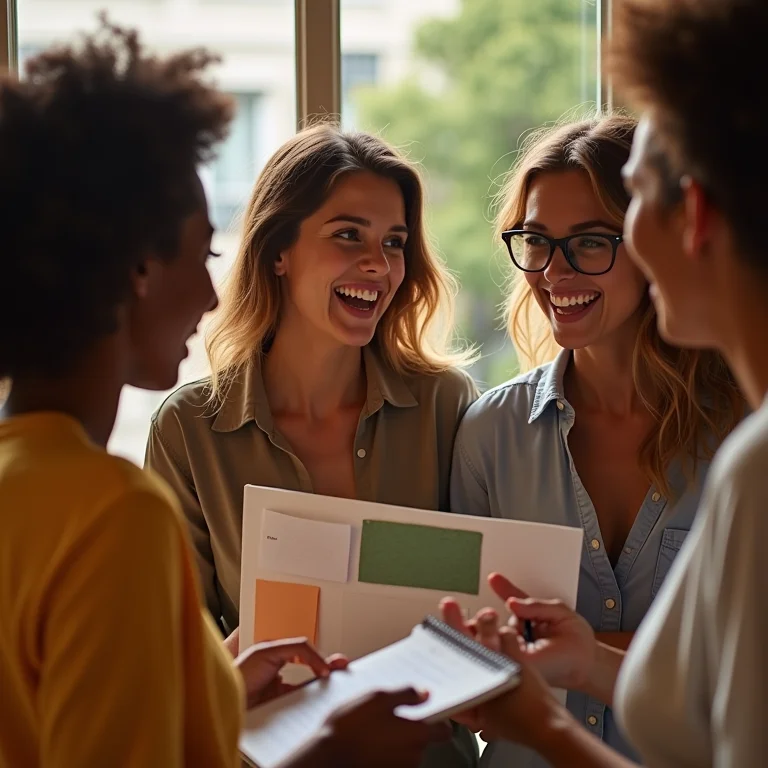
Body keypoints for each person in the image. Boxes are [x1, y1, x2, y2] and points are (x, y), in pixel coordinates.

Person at [0, 19, 449, 767]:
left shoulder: (20, 481)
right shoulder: (116, 513)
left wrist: (218, 694)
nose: (212, 294)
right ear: (138, 269)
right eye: (201, 253)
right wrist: (325, 752)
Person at [442, 0, 768, 765]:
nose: (554, 270)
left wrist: (552, 716)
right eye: (535, 241)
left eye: (595, 239)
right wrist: (583, 662)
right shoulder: (490, 431)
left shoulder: (750, 458)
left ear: (690, 217)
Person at [144, 121, 479, 768]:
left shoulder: (447, 407)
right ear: (278, 250)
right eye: (347, 235)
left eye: (394, 242)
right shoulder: (188, 432)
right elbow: (172, 658)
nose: (378, 265)